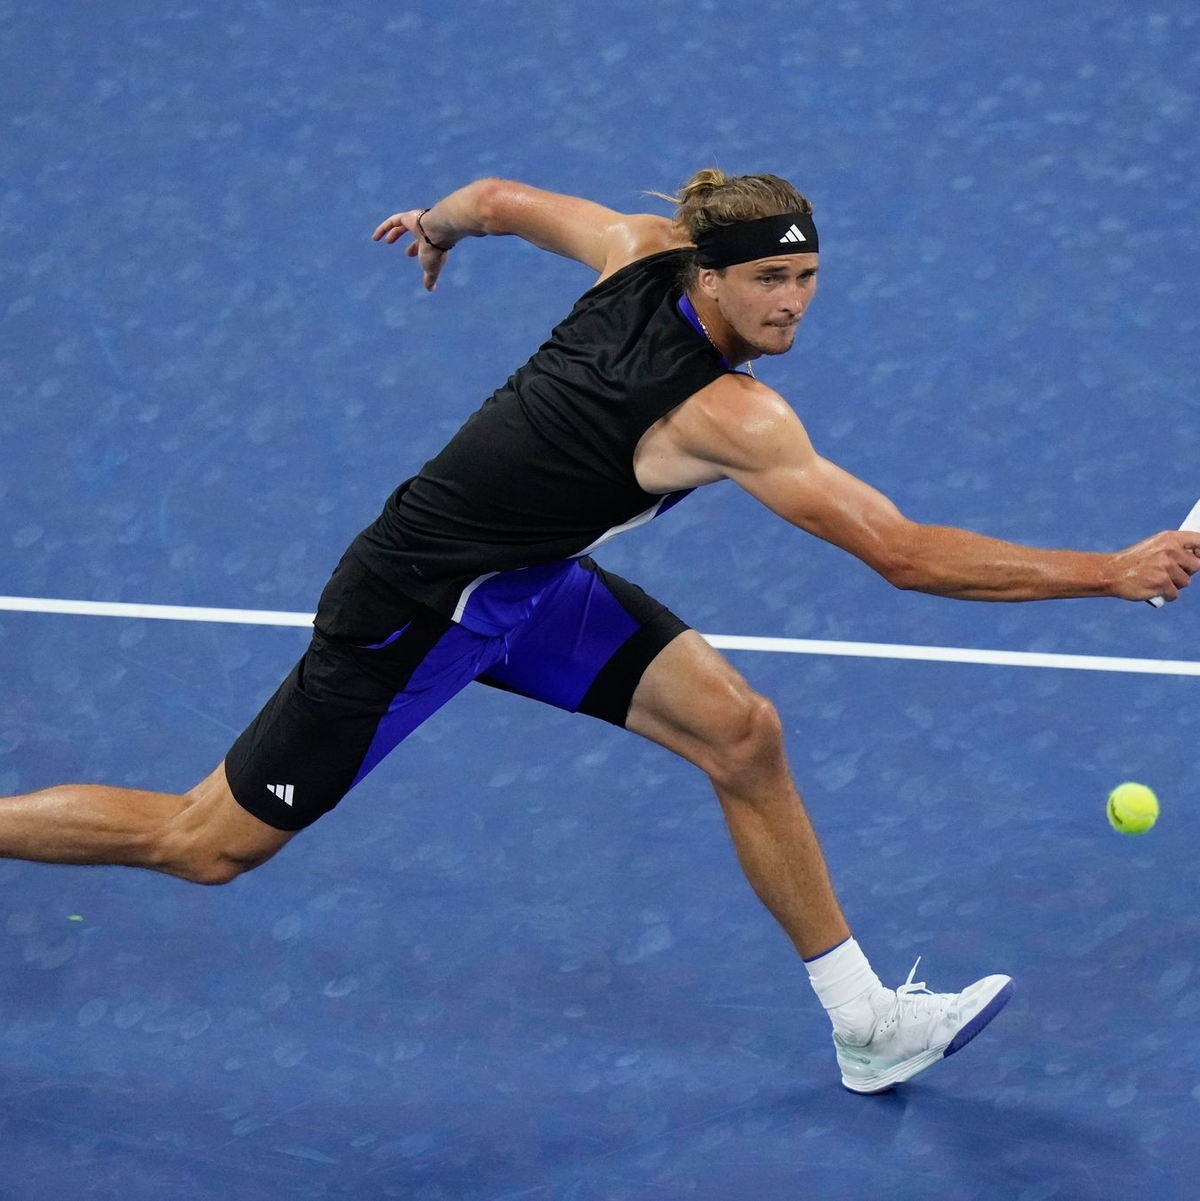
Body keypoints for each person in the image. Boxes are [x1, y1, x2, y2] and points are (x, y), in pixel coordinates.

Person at [3, 170, 1197, 1095]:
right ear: (712, 278)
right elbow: (901, 554)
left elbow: (507, 201)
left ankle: (866, 1023)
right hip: (417, 613)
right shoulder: (731, 415)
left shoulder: (638, 251)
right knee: (204, 842)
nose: (793, 304)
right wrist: (1114, 571)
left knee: (741, 731)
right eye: (770, 284)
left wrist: (439, 224)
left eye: (811, 278)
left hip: (518, 583)